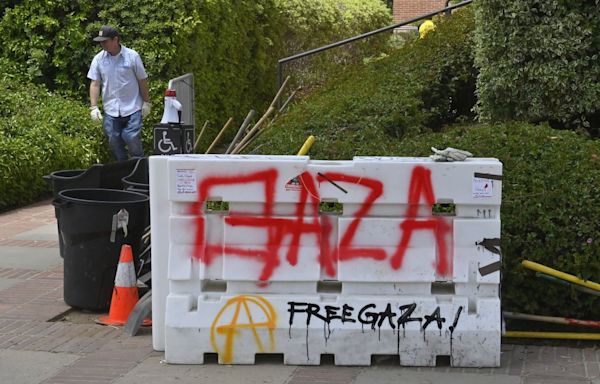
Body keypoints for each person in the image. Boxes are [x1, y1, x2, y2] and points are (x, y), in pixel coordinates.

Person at [87, 25, 151, 161]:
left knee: (131, 137)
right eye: (100, 42)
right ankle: (123, 169)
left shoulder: (132, 56)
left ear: (115, 39)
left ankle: (139, 165)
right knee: (113, 139)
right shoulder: (98, 59)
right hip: (111, 108)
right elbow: (95, 83)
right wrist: (93, 107)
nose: (102, 44)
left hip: (132, 107)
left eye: (105, 41)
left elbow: (142, 80)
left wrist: (146, 102)